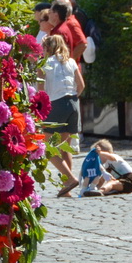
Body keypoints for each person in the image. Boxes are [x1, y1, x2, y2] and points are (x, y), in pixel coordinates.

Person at [40, 33, 82, 190]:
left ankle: (70, 179)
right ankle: (67, 189)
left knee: (47, 148)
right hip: (73, 103)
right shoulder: (71, 62)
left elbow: (40, 92)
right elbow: (81, 85)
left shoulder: (45, 63)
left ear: (47, 48)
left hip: (56, 104)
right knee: (65, 148)